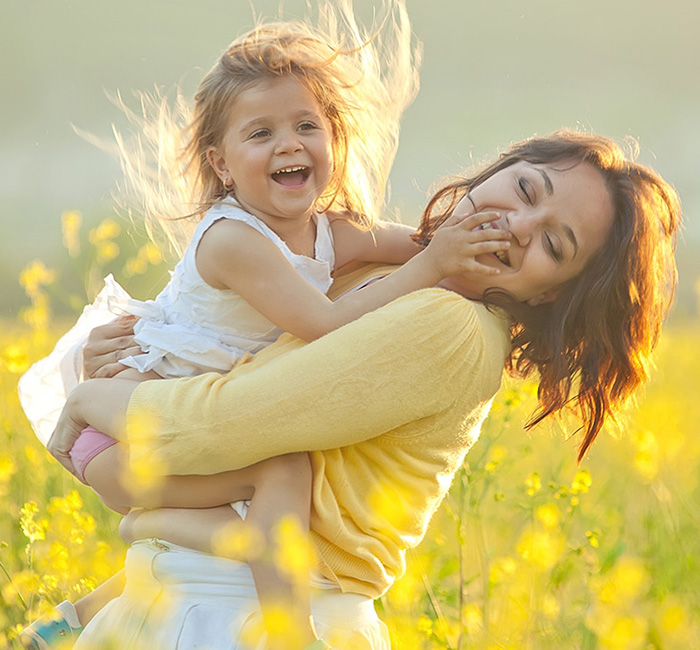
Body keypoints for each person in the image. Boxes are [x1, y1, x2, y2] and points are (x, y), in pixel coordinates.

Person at [41, 129, 680, 649]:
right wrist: (130, 359)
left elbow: (214, 428)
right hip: (190, 604)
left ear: (550, 296)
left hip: (244, 620)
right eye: (524, 188)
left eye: (552, 243)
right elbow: (224, 356)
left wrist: (90, 403)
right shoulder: (395, 274)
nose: (518, 224)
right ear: (492, 171)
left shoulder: (449, 325)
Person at [19, 3, 507, 648]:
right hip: (118, 444)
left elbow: (423, 248)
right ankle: (288, 635)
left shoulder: (337, 230)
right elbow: (326, 322)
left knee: (258, 514)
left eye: (307, 125)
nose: (289, 144)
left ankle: (71, 621)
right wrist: (432, 267)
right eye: (260, 134)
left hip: (181, 434)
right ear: (222, 165)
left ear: (332, 141)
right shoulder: (232, 240)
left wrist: (477, 255)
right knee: (283, 477)